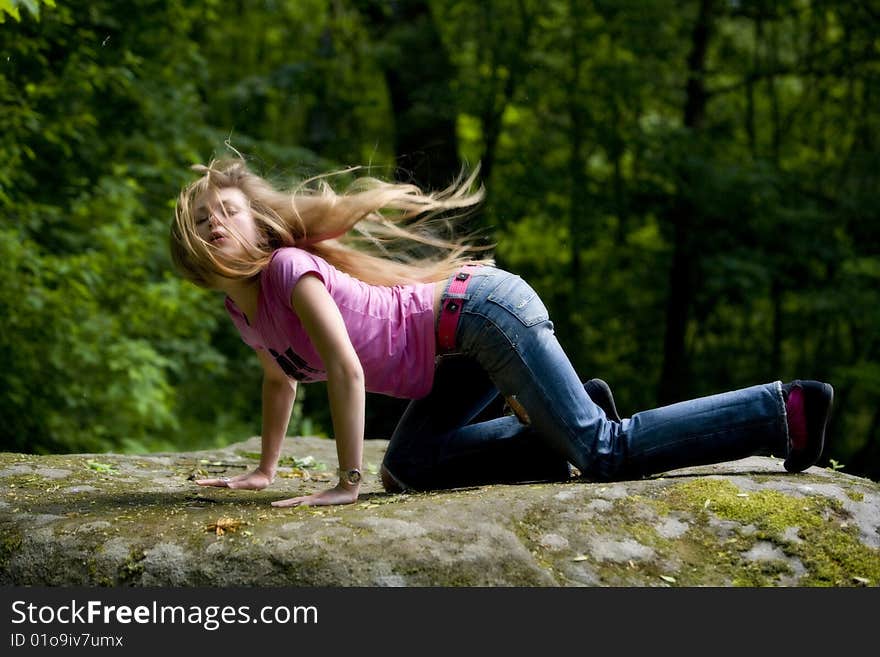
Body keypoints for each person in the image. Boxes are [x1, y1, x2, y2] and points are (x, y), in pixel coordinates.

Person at [170, 157, 834, 508]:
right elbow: (279, 380)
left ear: (260, 224)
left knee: (602, 452)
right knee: (407, 470)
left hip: (481, 315)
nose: (214, 225)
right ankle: (554, 424)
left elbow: (345, 370)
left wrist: (346, 477)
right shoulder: (243, 309)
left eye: (226, 211)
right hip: (451, 357)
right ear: (190, 250)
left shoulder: (289, 270)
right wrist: (263, 470)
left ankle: (785, 409)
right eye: (201, 221)